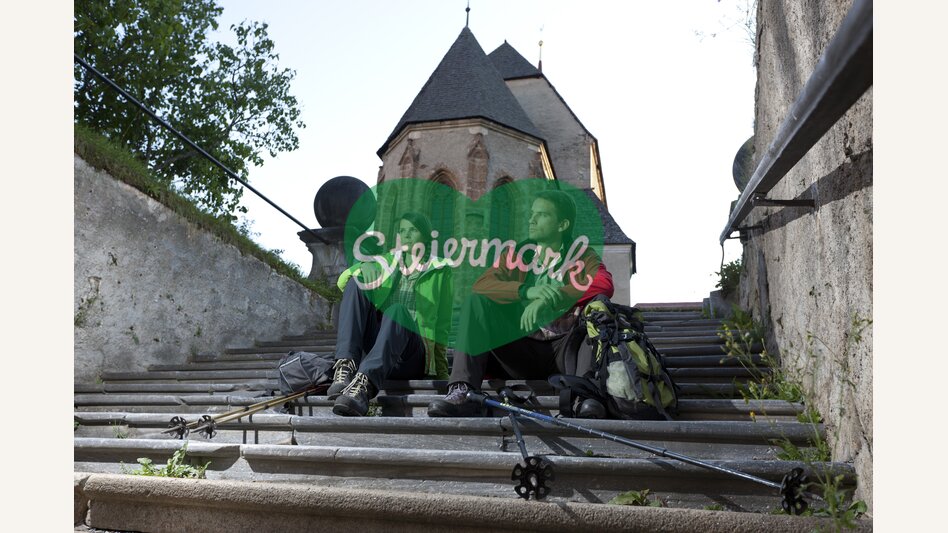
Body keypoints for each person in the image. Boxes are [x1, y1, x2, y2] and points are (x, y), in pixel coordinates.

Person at [427, 190, 613, 418]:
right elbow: (482, 285)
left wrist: (552, 297)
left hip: (565, 351)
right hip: (520, 348)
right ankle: (463, 392)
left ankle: (586, 397)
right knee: (476, 301)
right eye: (532, 213)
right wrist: (526, 291)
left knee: (599, 305)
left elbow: (604, 283)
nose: (531, 219)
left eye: (542, 215)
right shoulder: (517, 254)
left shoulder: (583, 256)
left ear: (562, 225)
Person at [330, 212, 452, 416]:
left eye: (413, 230)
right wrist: (363, 267)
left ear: (425, 235)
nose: (406, 235)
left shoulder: (440, 269)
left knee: (397, 311)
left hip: (413, 354)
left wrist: (442, 377)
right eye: (402, 231)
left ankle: (363, 387)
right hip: (380, 347)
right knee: (357, 281)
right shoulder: (386, 261)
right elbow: (342, 281)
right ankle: (345, 366)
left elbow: (442, 327)